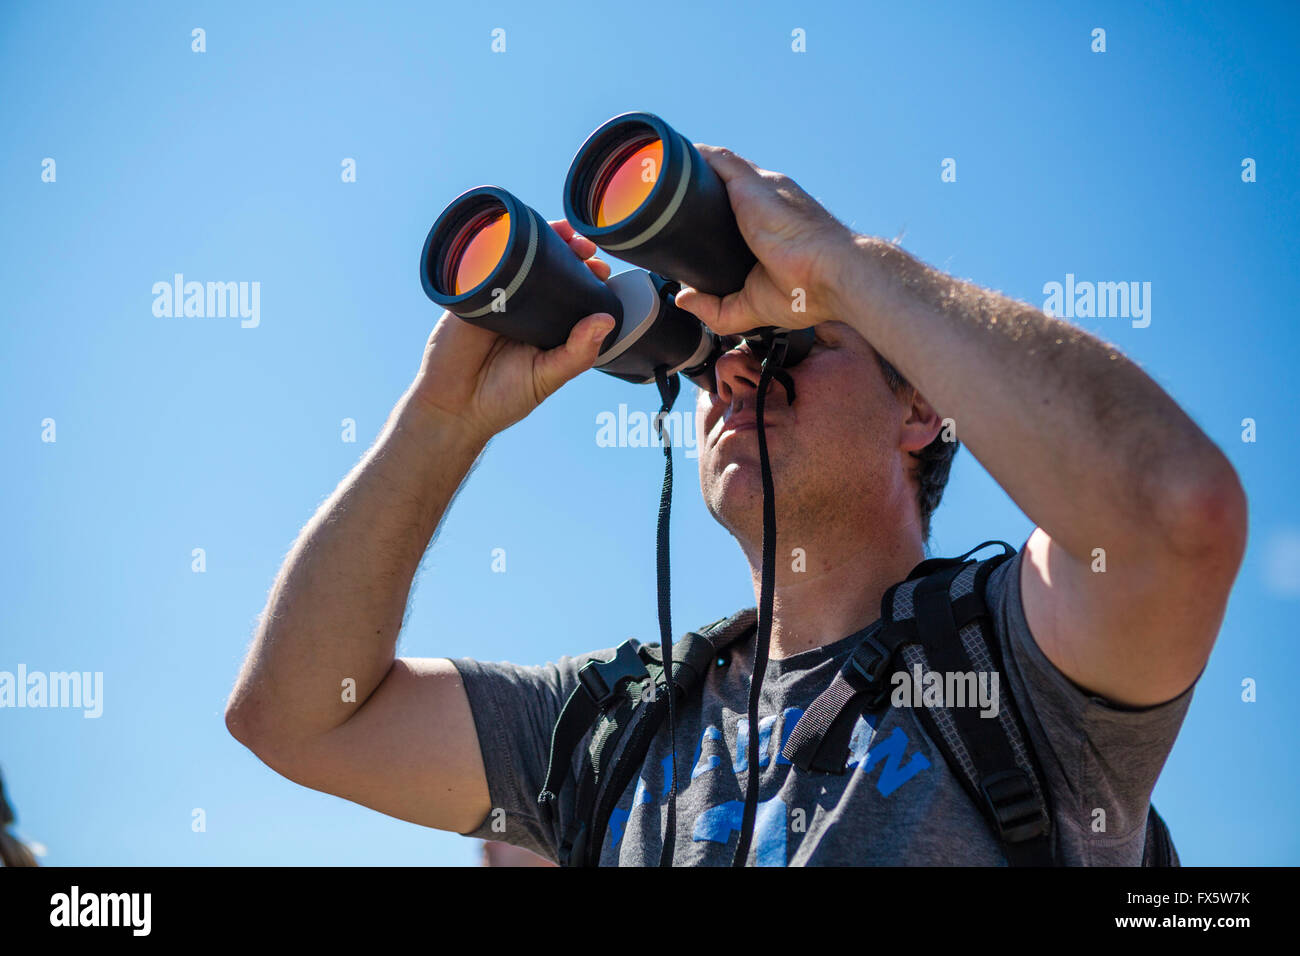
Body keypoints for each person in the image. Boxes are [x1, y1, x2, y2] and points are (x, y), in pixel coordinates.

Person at [225, 144, 1247, 866]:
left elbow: (1174, 514)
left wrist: (846, 272)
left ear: (919, 407)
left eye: (791, 343)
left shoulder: (1019, 660)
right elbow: (299, 717)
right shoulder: (615, 720)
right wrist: (442, 420)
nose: (737, 378)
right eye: (717, 360)